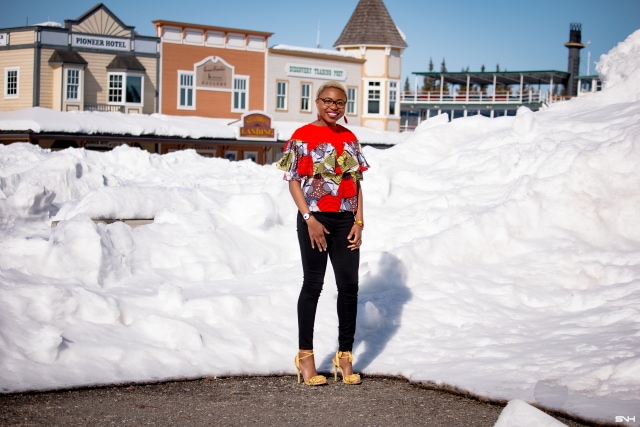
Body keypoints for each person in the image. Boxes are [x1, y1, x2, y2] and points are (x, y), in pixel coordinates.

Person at [276, 81, 370, 386]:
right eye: (328, 101)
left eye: (340, 102)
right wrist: (309, 218)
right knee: (313, 285)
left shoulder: (350, 138)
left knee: (349, 287)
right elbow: (292, 180)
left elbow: (355, 182)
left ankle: (344, 356)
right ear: (317, 103)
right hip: (313, 218)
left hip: (345, 220)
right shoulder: (301, 136)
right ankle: (305, 358)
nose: (334, 107)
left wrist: (359, 220)